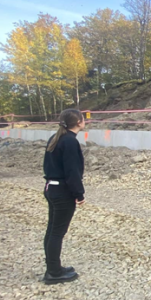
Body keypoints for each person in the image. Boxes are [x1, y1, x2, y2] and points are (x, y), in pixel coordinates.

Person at [42, 109, 86, 284]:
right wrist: (79, 193)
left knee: (52, 229)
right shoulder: (69, 142)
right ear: (79, 122)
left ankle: (54, 267)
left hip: (51, 188)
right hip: (62, 192)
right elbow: (71, 171)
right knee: (57, 232)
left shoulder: (56, 137)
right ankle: (53, 272)